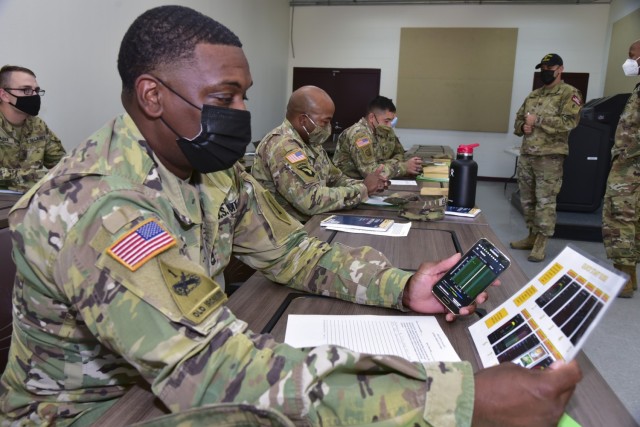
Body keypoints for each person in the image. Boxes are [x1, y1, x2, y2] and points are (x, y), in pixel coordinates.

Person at [0, 6, 581, 426]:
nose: (244, 113)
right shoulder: (101, 207)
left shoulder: (211, 167)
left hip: (168, 373)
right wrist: (457, 401)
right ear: (152, 96)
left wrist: (404, 287)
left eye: (245, 96)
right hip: (86, 412)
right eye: (224, 97)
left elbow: (289, 250)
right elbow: (213, 371)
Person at [251, 85, 388, 223]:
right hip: (287, 230)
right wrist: (363, 189)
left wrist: (370, 183)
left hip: (311, 221)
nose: (329, 127)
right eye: (325, 121)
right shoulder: (284, 146)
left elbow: (335, 178)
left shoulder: (311, 142)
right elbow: (311, 200)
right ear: (303, 120)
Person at [510, 53, 582, 262]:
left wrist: (538, 120)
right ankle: (531, 235)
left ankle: (541, 242)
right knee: (527, 199)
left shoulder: (569, 93)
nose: (545, 72)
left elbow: (570, 122)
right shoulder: (534, 95)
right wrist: (522, 126)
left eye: (549, 68)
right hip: (528, 155)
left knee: (545, 201)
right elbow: (519, 119)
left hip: (549, 158)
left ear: (560, 69)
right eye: (542, 68)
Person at [602, 39, 640, 298]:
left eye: (632, 55)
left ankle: (624, 279)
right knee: (630, 220)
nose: (628, 61)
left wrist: (626, 156)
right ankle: (630, 276)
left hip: (631, 169)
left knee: (620, 220)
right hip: (628, 165)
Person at [0, 65, 66, 192]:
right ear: (4, 95)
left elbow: (63, 165)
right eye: (26, 90)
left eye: (36, 90)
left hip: (31, 203)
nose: (34, 95)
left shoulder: (37, 125)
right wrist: (36, 177)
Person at [333, 95, 423, 179]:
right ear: (372, 117)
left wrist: (386, 164)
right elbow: (370, 173)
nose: (390, 126)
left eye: (392, 121)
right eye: (386, 121)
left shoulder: (384, 129)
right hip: (351, 184)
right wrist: (403, 167)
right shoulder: (359, 135)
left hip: (376, 182)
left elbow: (399, 153)